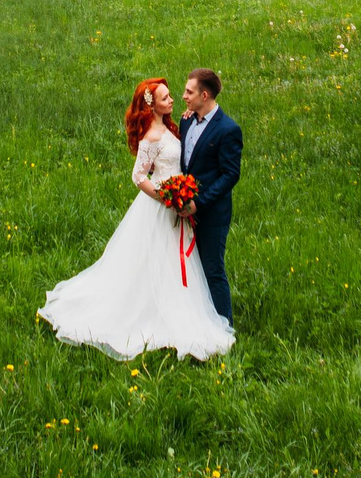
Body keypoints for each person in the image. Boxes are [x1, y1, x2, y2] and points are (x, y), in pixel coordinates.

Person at [37, 77, 235, 361]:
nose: (175, 100)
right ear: (152, 106)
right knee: (154, 260)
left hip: (181, 203)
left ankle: (185, 310)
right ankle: (152, 313)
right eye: (167, 97)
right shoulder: (152, 136)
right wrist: (166, 197)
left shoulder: (177, 124)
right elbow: (138, 176)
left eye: (178, 95)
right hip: (161, 205)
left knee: (179, 261)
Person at [177, 68, 242, 323]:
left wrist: (198, 203)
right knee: (190, 270)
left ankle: (225, 328)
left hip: (212, 213)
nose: (183, 96)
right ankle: (196, 320)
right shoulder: (187, 120)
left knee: (212, 270)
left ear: (205, 95)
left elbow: (230, 175)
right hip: (184, 211)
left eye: (189, 92)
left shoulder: (228, 129)